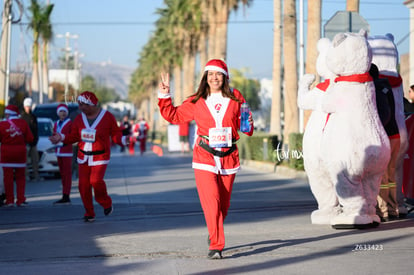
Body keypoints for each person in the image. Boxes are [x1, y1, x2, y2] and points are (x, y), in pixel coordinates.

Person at [158, 59, 254, 259]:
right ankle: (217, 245)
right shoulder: (197, 100)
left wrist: (248, 124)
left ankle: (213, 233)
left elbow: (245, 124)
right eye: (210, 74)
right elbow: (173, 116)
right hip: (204, 157)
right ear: (205, 78)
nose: (214, 78)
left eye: (218, 74)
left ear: (225, 76)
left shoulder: (236, 97)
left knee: (223, 206)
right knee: (212, 202)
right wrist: (165, 95)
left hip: (228, 157)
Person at [49, 91, 128, 222]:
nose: (80, 108)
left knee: (95, 181)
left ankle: (105, 202)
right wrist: (61, 137)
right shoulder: (79, 118)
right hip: (83, 156)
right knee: (83, 186)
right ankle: (89, 212)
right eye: (79, 105)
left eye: (82, 105)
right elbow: (74, 136)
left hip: (100, 156)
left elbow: (115, 133)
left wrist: (124, 140)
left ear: (91, 104)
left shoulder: (107, 116)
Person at [370, 64, 400, 222]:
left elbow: (384, 113)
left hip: (386, 135)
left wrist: (377, 128)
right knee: (391, 174)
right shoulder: (386, 86)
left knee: (382, 174)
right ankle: (393, 208)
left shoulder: (375, 87)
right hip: (395, 134)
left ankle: (383, 211)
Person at [0, 105, 34, 207]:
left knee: (8, 178)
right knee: (20, 177)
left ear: (7, 113)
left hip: (6, 153)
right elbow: (30, 138)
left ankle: (10, 200)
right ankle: (20, 199)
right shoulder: (23, 123)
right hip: (20, 153)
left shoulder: (2, 124)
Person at [53, 104, 73, 205]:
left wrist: (63, 139)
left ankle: (66, 196)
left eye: (64, 111)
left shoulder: (70, 123)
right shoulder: (56, 123)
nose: (63, 113)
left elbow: (72, 136)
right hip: (58, 151)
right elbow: (54, 134)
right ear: (58, 113)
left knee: (67, 174)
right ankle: (64, 195)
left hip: (67, 151)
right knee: (62, 174)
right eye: (61, 111)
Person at [21, 97, 40, 181]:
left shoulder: (34, 117)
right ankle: (26, 176)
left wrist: (35, 140)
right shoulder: (22, 117)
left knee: (35, 161)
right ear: (24, 107)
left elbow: (36, 129)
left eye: (29, 106)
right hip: (25, 143)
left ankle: (36, 176)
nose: (28, 108)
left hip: (33, 143)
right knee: (24, 161)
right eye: (27, 106)